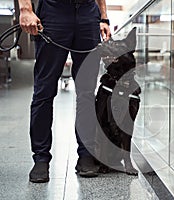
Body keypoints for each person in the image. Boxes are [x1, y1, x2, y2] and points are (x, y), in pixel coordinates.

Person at [18, 0, 111, 183]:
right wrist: (25, 9)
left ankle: (86, 155)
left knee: (86, 92)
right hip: (54, 12)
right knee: (44, 91)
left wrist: (104, 17)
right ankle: (41, 158)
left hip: (87, 14)